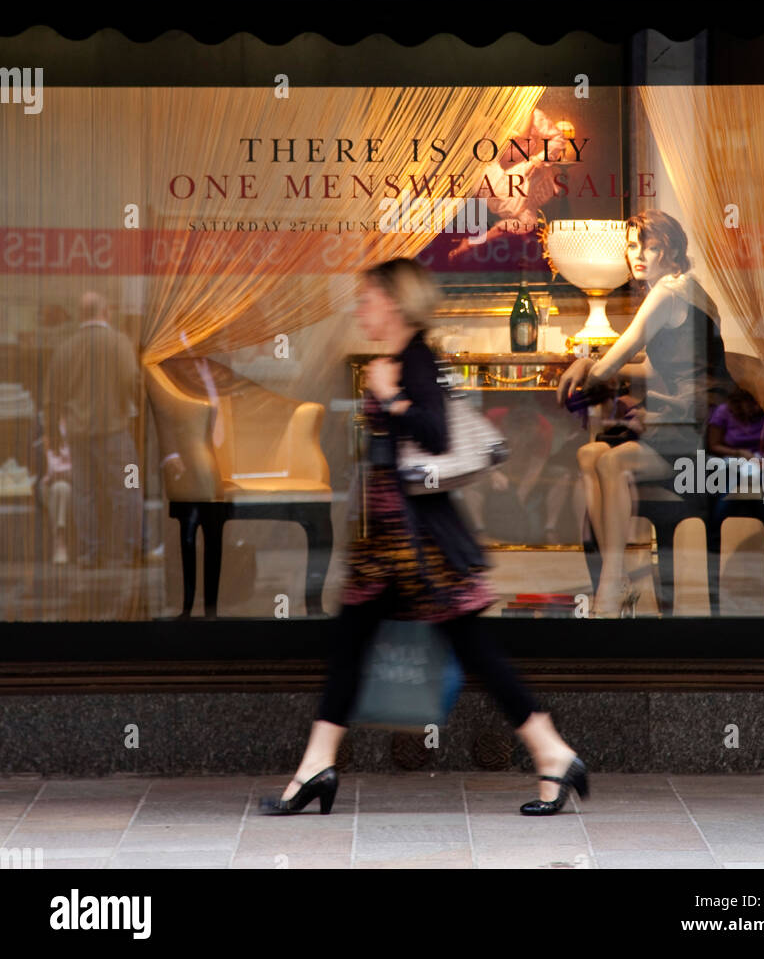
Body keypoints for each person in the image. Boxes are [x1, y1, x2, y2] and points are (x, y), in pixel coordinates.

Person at [259, 257, 588, 817]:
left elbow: (434, 435)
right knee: (362, 646)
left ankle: (552, 751)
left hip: (415, 547)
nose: (360, 308)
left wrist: (389, 398)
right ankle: (318, 766)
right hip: (393, 543)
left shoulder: (414, 360)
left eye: (367, 298)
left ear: (393, 303)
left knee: (460, 649)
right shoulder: (402, 358)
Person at [558, 211, 734, 616]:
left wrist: (586, 365)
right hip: (687, 414)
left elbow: (617, 357)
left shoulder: (668, 291)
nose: (638, 255)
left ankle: (611, 582)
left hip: (701, 425)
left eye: (650, 246)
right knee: (590, 455)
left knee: (613, 462)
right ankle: (615, 578)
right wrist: (598, 367)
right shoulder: (685, 288)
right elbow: (655, 366)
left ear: (670, 251)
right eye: (633, 246)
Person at [44, 291, 142, 569]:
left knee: (83, 493)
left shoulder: (65, 348)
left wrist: (52, 434)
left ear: (80, 315)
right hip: (116, 431)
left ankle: (90, 553)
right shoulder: (120, 343)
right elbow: (132, 382)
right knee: (128, 487)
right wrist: (128, 410)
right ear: (106, 312)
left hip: (77, 435)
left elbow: (51, 397)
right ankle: (127, 550)